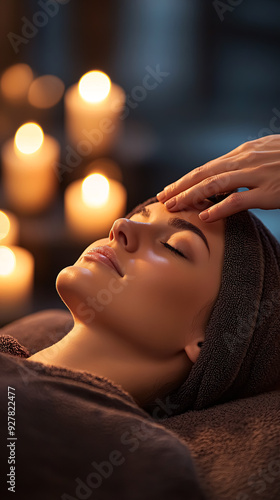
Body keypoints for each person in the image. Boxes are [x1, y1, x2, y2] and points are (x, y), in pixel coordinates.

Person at [0, 135, 279, 499]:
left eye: (173, 248)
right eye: (136, 217)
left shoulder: (130, 462)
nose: (121, 227)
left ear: (211, 338)